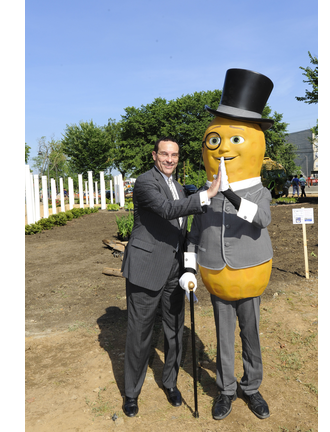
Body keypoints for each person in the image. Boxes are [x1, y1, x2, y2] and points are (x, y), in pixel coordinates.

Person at [182, 68, 275, 421]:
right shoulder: (204, 195)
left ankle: (252, 387)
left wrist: (231, 194)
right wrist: (189, 269)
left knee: (250, 335)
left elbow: (261, 218)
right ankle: (225, 389)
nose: (222, 148)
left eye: (235, 140)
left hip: (249, 275)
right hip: (217, 276)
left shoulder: (258, 191)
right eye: (216, 140)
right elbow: (193, 233)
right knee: (223, 337)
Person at [120, 137, 222, 418]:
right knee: (140, 334)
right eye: (164, 154)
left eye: (174, 155)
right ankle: (131, 393)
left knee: (175, 331)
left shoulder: (179, 188)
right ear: (155, 155)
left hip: (174, 272)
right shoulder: (145, 183)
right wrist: (205, 195)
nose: (169, 159)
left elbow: (183, 231)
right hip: (146, 268)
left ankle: (170, 382)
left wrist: (189, 266)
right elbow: (166, 210)